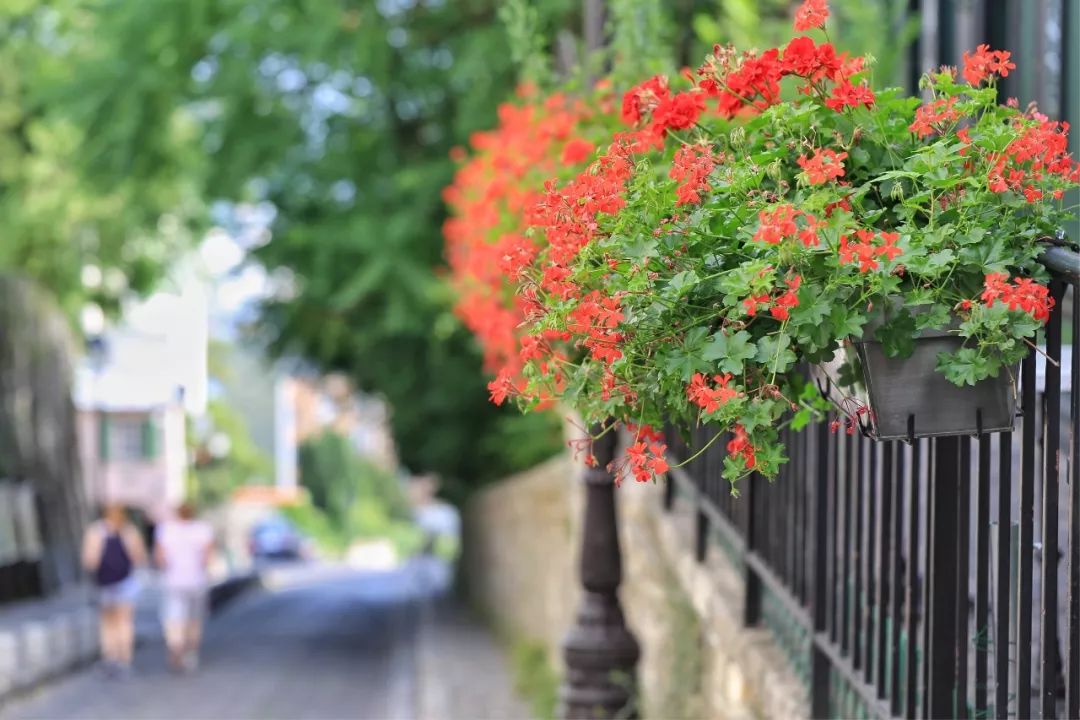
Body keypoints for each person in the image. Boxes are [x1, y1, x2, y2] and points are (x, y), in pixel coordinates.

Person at [81, 504, 147, 676]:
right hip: (126, 583)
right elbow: (139, 557)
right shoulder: (129, 531)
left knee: (107, 623)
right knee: (125, 622)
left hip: (104, 583)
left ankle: (110, 658)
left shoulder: (95, 531)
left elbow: (89, 560)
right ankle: (125, 660)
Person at [154, 502, 214, 672]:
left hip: (173, 581)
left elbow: (159, 558)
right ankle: (191, 654)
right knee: (194, 621)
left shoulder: (166, 530)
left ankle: (176, 646)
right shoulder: (202, 529)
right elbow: (207, 558)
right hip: (196, 581)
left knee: (174, 620)